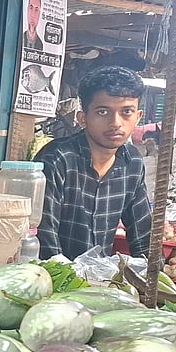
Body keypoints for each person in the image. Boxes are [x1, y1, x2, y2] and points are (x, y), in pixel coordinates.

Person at [35, 65, 152, 260]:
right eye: (103, 112)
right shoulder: (58, 158)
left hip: (99, 278)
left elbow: (143, 234)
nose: (116, 123)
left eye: (127, 112)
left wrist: (153, 275)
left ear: (138, 117)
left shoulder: (132, 163)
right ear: (83, 118)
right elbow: (44, 235)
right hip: (51, 277)